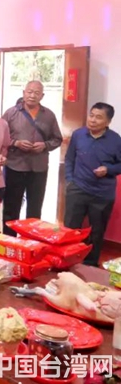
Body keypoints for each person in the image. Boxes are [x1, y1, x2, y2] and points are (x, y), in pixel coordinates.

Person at [64, 103, 121, 266]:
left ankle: (90, 264)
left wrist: (108, 169)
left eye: (99, 117)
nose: (93, 120)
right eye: (91, 115)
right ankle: (67, 261)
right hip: (78, 189)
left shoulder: (115, 140)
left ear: (108, 122)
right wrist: (70, 180)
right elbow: (69, 159)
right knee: (70, 228)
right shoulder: (78, 134)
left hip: (102, 194)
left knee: (97, 231)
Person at [2, 81, 63, 223]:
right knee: (11, 207)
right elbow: (1, 137)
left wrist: (45, 145)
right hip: (15, 166)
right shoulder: (11, 113)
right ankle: (9, 236)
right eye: (29, 92)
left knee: (35, 208)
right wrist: (16, 143)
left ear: (42, 96)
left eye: (36, 93)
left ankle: (31, 236)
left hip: (39, 167)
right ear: (23, 93)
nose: (32, 96)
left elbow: (57, 139)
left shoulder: (49, 115)